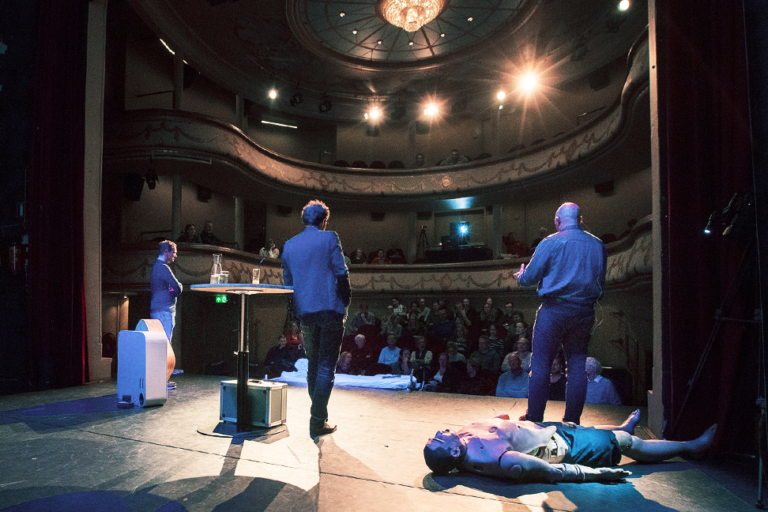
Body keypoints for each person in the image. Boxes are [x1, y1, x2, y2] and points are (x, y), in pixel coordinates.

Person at [423, 410, 717, 482]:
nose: (438, 431)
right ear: (451, 453)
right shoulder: (494, 460)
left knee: (583, 427)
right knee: (626, 443)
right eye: (438, 438)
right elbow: (552, 472)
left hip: (548, 430)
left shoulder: (459, 436)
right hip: (564, 448)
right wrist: (597, 475)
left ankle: (620, 426)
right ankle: (691, 447)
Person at [514, 202, 607, 424]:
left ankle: (535, 418)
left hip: (553, 311)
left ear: (557, 221)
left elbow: (529, 279)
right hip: (584, 312)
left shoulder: (551, 242)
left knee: (541, 365)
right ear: (580, 220)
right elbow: (601, 281)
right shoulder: (598, 245)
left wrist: (520, 276)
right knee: (576, 365)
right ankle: (572, 421)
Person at [282, 200, 351, 439]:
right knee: (325, 367)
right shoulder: (330, 238)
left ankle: (318, 416)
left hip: (306, 313)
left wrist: (296, 311)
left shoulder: (289, 246)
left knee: (313, 364)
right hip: (330, 310)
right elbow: (342, 273)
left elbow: (288, 285)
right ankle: (317, 420)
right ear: (323, 220)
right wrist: (347, 301)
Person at [150, 240, 182, 345]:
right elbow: (178, 288)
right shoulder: (163, 268)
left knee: (159, 345)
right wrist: (171, 289)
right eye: (174, 252)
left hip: (157, 310)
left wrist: (169, 288)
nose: (175, 255)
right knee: (165, 346)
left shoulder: (155, 267)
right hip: (164, 312)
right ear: (166, 252)